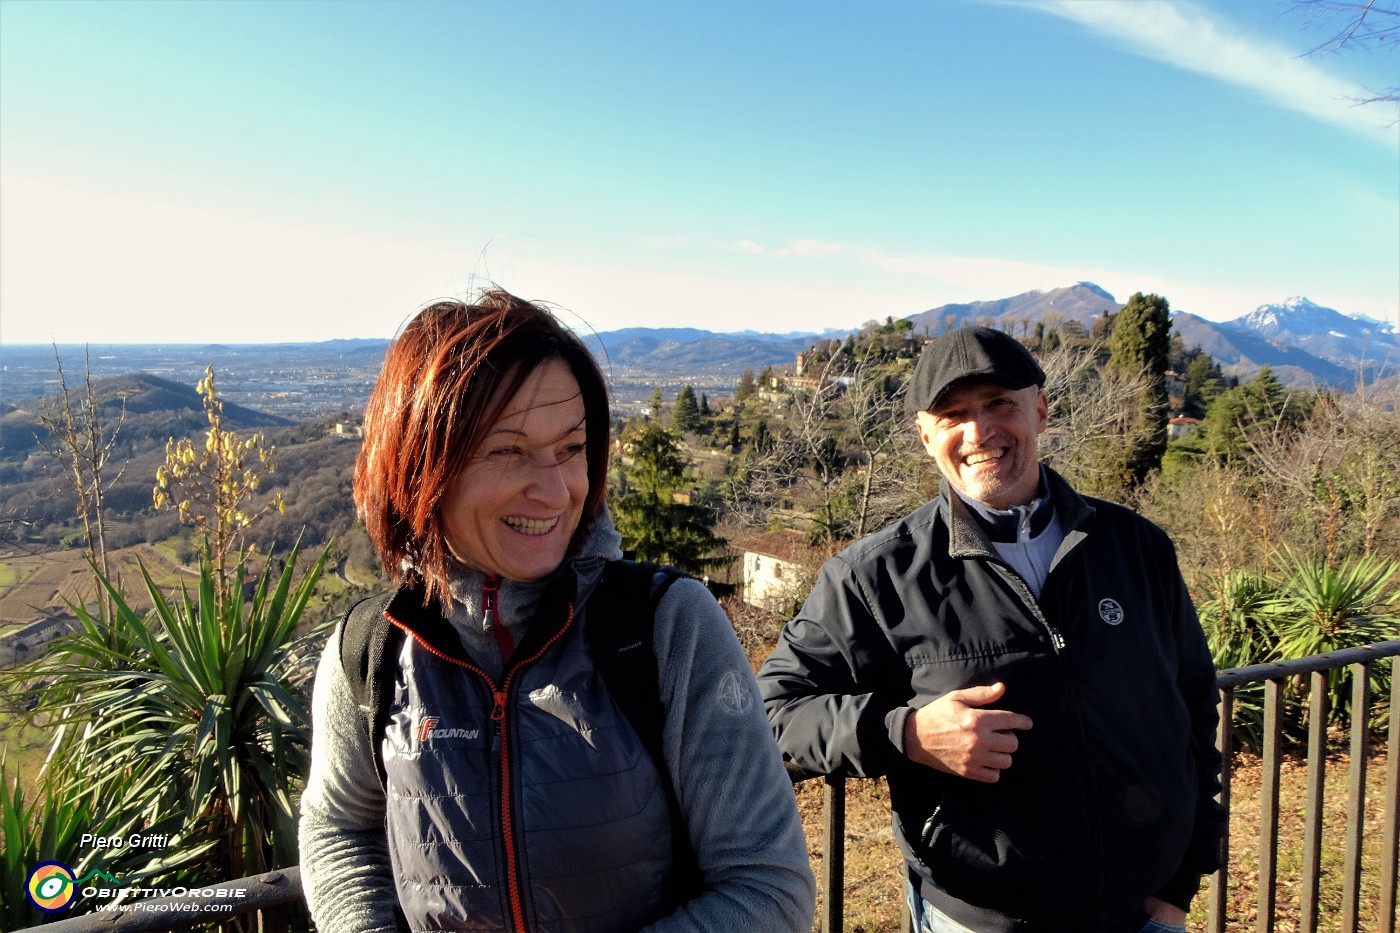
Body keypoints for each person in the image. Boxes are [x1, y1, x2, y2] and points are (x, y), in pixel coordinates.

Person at [299, 290, 814, 933]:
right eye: (507, 450)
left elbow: (768, 886)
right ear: (420, 465)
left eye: (570, 449)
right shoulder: (372, 649)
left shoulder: (663, 626)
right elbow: (339, 825)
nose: (554, 491)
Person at [757, 326, 1224, 933]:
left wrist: (1183, 876)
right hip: (979, 918)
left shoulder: (1136, 547)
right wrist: (908, 733)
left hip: (1146, 913)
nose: (978, 433)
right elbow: (774, 712)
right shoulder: (874, 576)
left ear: (1041, 409)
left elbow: (1192, 704)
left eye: (999, 403)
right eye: (952, 415)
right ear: (926, 436)